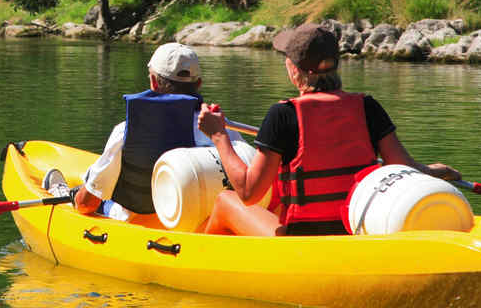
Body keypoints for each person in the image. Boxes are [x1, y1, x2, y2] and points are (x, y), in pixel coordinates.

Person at [196, 22, 460, 236]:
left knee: (226, 201)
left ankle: (198, 262)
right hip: (356, 230)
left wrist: (219, 135)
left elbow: (248, 193)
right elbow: (403, 169)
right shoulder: (368, 107)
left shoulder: (283, 115)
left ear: (294, 70)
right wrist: (435, 172)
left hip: (301, 239)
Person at [73, 42, 245, 225]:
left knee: (81, 197)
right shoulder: (224, 131)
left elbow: (87, 204)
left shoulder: (125, 131)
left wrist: (77, 198)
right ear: (199, 84)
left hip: (137, 224)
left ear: (154, 82)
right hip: (200, 226)